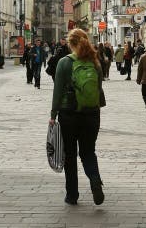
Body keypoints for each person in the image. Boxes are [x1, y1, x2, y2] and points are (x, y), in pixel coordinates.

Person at [50, 28, 105, 206]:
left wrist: (53, 114)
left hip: (69, 114)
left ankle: (72, 195)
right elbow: (98, 89)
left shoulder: (65, 63)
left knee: (70, 155)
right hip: (91, 113)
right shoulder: (95, 62)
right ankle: (95, 179)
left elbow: (57, 91)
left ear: (70, 43)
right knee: (88, 152)